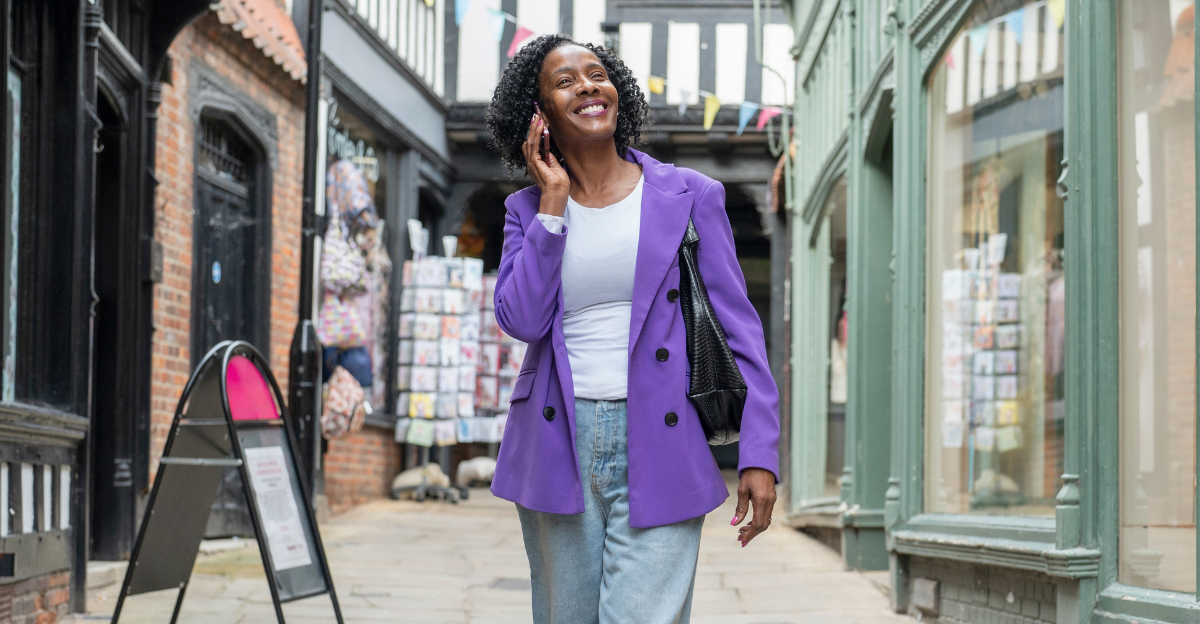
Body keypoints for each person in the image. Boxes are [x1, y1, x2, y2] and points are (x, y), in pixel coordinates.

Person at [485, 34, 780, 624]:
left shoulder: (691, 196)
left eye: (597, 73)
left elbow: (739, 328)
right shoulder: (527, 209)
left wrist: (760, 454)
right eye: (565, 81)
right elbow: (521, 319)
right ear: (537, 113)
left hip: (665, 435)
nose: (588, 85)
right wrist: (552, 208)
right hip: (556, 440)